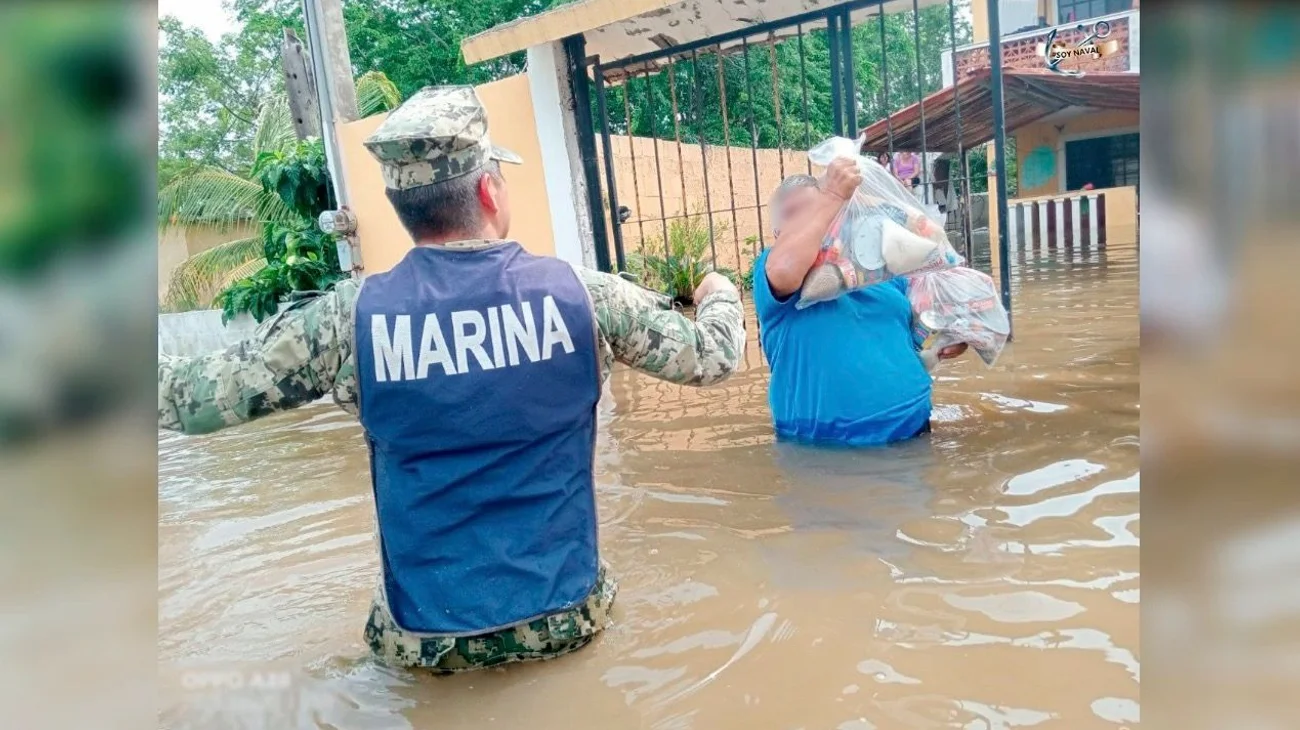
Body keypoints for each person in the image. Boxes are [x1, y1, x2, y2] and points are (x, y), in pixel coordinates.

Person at [157, 86, 746, 673]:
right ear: (489, 189)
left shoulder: (347, 319)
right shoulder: (585, 297)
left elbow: (193, 400)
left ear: (397, 204)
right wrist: (719, 293)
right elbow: (713, 356)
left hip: (425, 641)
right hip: (566, 621)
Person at [753, 164, 965, 446]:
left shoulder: (881, 267)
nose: (811, 221)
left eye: (812, 210)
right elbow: (784, 271)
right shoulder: (772, 269)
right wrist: (830, 195)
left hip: (914, 433)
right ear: (779, 234)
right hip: (822, 451)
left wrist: (950, 340)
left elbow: (924, 324)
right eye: (794, 216)